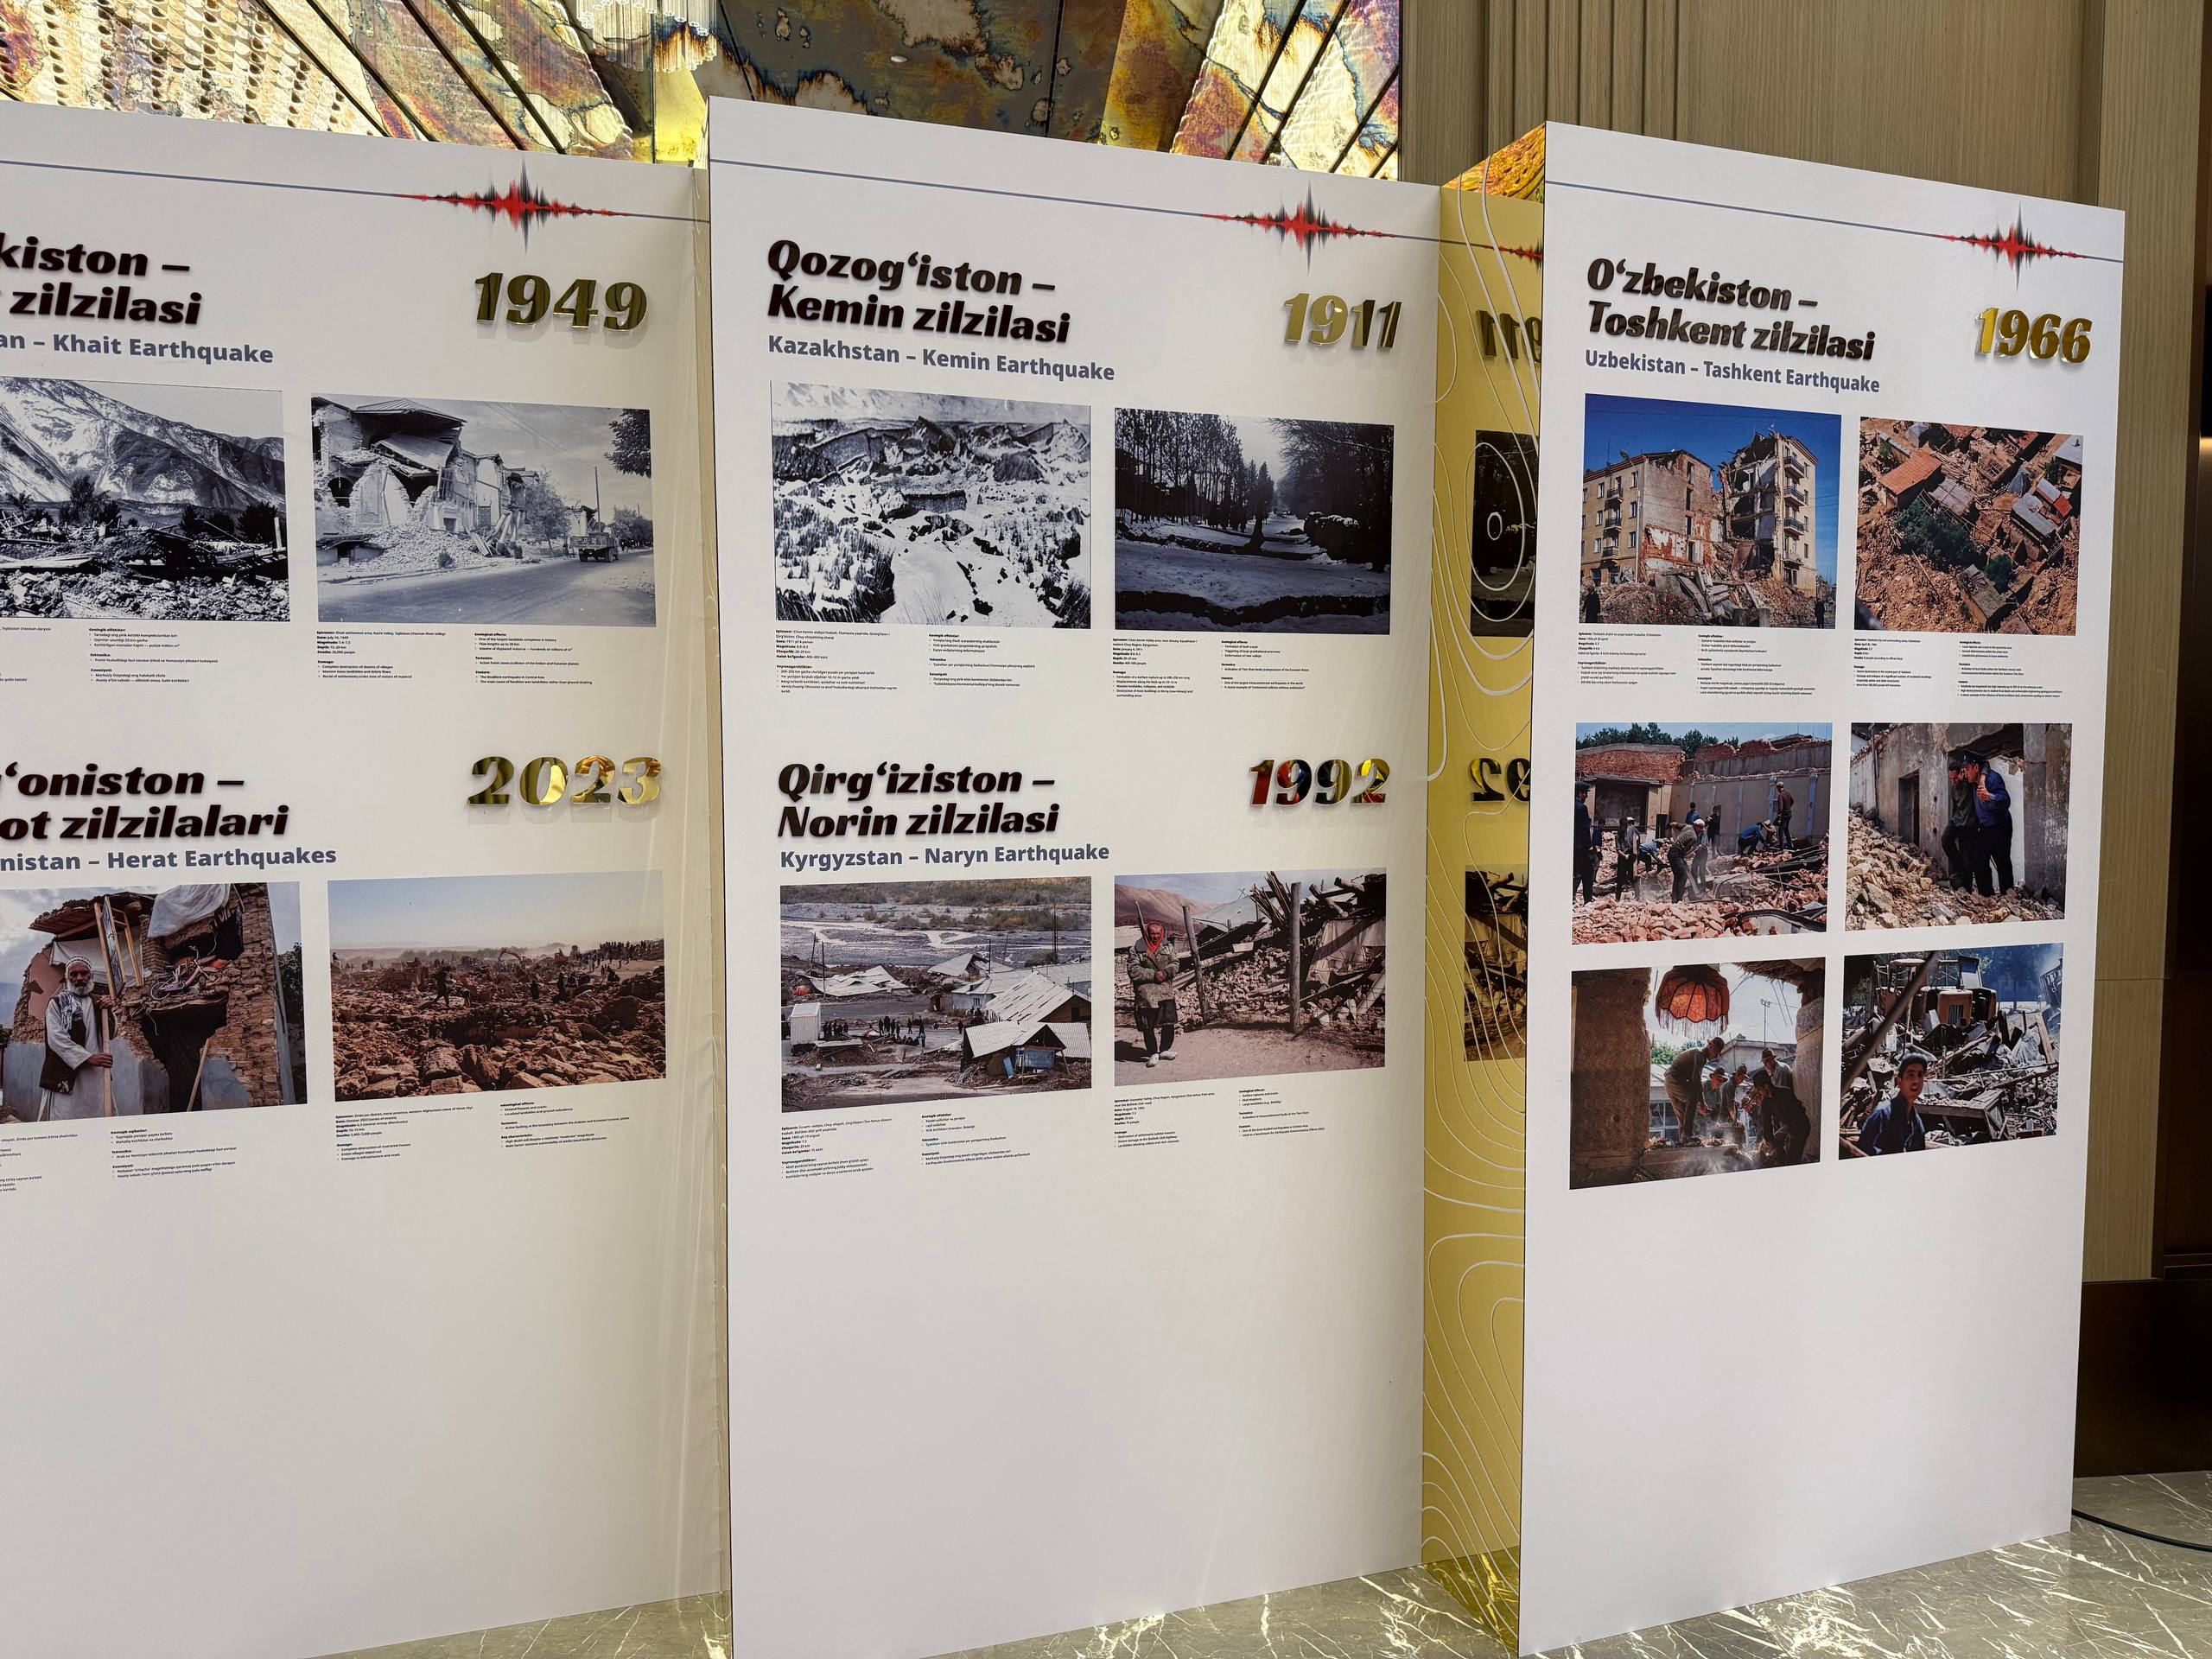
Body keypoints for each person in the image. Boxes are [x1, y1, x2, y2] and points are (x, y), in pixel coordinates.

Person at [39, 957, 114, 1122]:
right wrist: (88, 1058)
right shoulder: (57, 1003)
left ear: (91, 976)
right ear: (67, 978)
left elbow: (112, 1033)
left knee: (98, 1120)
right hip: (66, 1075)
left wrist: (108, 1010)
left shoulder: (99, 1002)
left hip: (96, 1075)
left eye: (84, 973)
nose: (79, 978)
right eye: (74, 974)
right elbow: (56, 1039)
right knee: (67, 1121)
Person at [1127, 921, 1181, 1068]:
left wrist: (1166, 972)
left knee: (1168, 1022)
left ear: (1162, 933)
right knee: (1148, 1025)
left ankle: (1164, 1050)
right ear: (1147, 933)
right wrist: (1153, 975)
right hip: (1147, 994)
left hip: (1165, 991)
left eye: (1158, 934)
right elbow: (1133, 970)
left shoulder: (1168, 947)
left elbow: (1175, 963)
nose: (1156, 936)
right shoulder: (1136, 949)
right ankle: (1152, 1053)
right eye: (1153, 934)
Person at [1860, 1050, 1931, 1154]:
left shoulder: (1915, 1120)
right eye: (1911, 1075)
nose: (1916, 1081)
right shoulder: (1882, 1113)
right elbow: (1864, 1153)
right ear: (1899, 1082)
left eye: (1920, 1075)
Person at [1664, 1037, 1724, 1147]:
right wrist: (1702, 1101)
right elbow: (1696, 1079)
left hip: (1671, 1082)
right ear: (1710, 1047)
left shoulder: (1700, 1055)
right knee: (1692, 1099)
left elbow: (1693, 1081)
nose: (1715, 1056)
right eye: (1716, 1053)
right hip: (1674, 1080)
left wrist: (1700, 1102)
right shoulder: (1700, 1054)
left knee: (1683, 1114)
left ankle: (1684, 1141)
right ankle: (1687, 1135)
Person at [1973, 758, 2015, 897]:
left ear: (1976, 768)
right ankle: (1986, 896)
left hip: (2000, 825)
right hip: (1985, 827)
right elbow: (1985, 763)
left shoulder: (1992, 779)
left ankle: (2008, 896)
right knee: (1979, 859)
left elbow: (2005, 800)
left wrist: (1989, 797)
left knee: (2002, 860)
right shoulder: (1973, 781)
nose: (1965, 773)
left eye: (1967, 769)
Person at [1941, 759, 1978, 891]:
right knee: (1945, 839)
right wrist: (1953, 819)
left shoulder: (1969, 782)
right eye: (1951, 779)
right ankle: (1959, 869)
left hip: (1969, 824)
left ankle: (1967, 889)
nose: (1954, 781)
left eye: (1956, 778)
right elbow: (1956, 806)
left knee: (1966, 856)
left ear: (1962, 773)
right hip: (1957, 820)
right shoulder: (1954, 787)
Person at [1573, 786, 1599, 905]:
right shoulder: (1582, 808)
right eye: (1585, 794)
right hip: (1581, 848)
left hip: (1572, 846)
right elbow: (1584, 830)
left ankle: (1572, 897)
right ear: (1580, 793)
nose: (1586, 796)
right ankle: (1588, 899)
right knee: (1588, 873)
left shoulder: (1569, 805)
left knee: (1576, 873)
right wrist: (1589, 847)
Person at [1667, 819, 1699, 902]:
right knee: (1683, 876)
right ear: (1696, 826)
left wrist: (1670, 826)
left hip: (1671, 852)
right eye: (1700, 828)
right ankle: (1679, 900)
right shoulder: (1694, 837)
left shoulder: (1687, 826)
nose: (1701, 830)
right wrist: (1691, 853)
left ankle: (1674, 899)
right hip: (1676, 854)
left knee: (1677, 876)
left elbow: (1674, 824)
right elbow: (1684, 851)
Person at [1612, 819, 1643, 900]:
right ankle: (1617, 898)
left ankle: (1638, 897)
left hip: (1631, 854)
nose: (1625, 828)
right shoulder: (1618, 835)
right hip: (1623, 857)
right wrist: (1625, 856)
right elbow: (1618, 850)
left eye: (1626, 826)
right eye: (1623, 827)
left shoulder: (1632, 831)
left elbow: (1637, 842)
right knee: (1620, 878)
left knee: (1633, 876)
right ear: (1621, 826)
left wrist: (1635, 853)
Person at [1691, 817, 1713, 897]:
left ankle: (1703, 889)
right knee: (1693, 870)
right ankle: (1696, 887)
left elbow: (1703, 844)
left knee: (1701, 871)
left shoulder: (1703, 832)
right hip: (1699, 852)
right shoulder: (1697, 832)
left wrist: (1695, 849)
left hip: (1703, 852)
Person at [1771, 780, 1796, 848]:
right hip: (1789, 813)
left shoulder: (1781, 795)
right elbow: (1792, 801)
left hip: (1785, 814)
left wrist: (1778, 815)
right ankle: (1791, 845)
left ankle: (1781, 848)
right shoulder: (1788, 793)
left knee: (1781, 831)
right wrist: (1788, 807)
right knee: (1786, 829)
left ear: (1778, 788)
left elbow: (1780, 807)